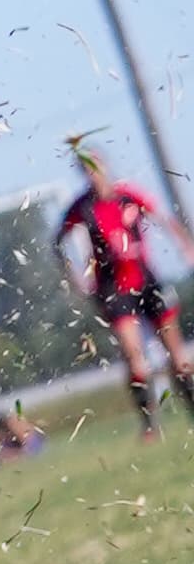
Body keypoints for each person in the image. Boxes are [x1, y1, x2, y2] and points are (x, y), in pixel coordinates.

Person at [53, 138, 194, 440]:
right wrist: (74, 277)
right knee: (133, 356)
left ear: (104, 165)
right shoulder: (82, 208)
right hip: (113, 289)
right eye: (85, 169)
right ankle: (150, 425)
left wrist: (186, 246)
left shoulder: (127, 194)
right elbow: (58, 242)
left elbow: (162, 218)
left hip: (146, 280)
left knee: (177, 355)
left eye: (94, 167)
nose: (92, 174)